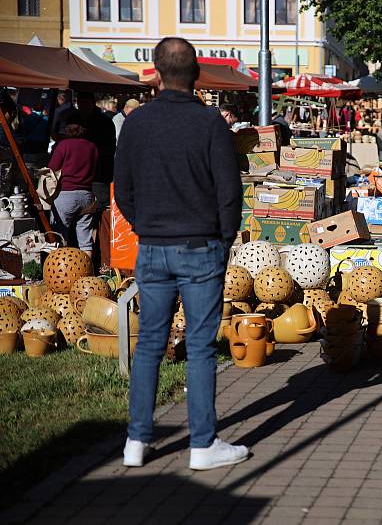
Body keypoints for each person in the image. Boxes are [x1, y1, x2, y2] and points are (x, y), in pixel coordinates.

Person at [115, 37, 248, 471]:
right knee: (200, 346)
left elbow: (124, 189)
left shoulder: (135, 123)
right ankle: (203, 445)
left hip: (152, 248)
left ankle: (136, 441)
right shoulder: (210, 124)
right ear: (195, 75)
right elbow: (230, 192)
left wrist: (144, 227)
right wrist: (224, 241)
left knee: (150, 343)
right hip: (200, 245)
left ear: (154, 72)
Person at [48, 116, 98, 255]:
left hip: (65, 194)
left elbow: (52, 168)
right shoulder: (92, 147)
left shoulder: (64, 145)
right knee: (85, 240)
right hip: (87, 195)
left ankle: (61, 272)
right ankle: (87, 272)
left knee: (60, 237)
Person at [75, 91, 116, 210]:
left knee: (98, 210)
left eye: (85, 104)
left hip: (99, 175)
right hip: (79, 175)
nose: (82, 107)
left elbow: (109, 148)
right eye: (80, 104)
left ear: (92, 104)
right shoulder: (74, 118)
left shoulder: (105, 122)